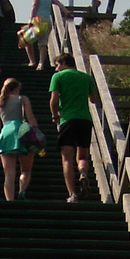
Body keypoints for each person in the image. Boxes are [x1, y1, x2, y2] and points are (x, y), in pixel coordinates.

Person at [49, 52, 97, 203]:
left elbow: (54, 100)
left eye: (57, 65)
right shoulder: (86, 77)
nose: (56, 69)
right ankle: (83, 173)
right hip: (85, 119)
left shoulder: (58, 77)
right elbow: (93, 99)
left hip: (68, 119)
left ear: (63, 63)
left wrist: (55, 115)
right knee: (82, 155)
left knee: (67, 158)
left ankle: (73, 194)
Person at [0, 78, 41, 201]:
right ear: (16, 88)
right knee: (26, 169)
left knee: (9, 174)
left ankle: (10, 200)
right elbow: (30, 118)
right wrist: (36, 133)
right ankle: (21, 191)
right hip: (22, 131)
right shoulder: (22, 99)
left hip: (6, 135)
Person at [18, 0, 60, 72]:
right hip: (47, 20)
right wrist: (66, 12)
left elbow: (35, 4)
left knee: (27, 38)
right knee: (43, 42)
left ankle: (32, 61)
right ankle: (41, 63)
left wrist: (31, 19)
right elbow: (58, 3)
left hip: (38, 19)